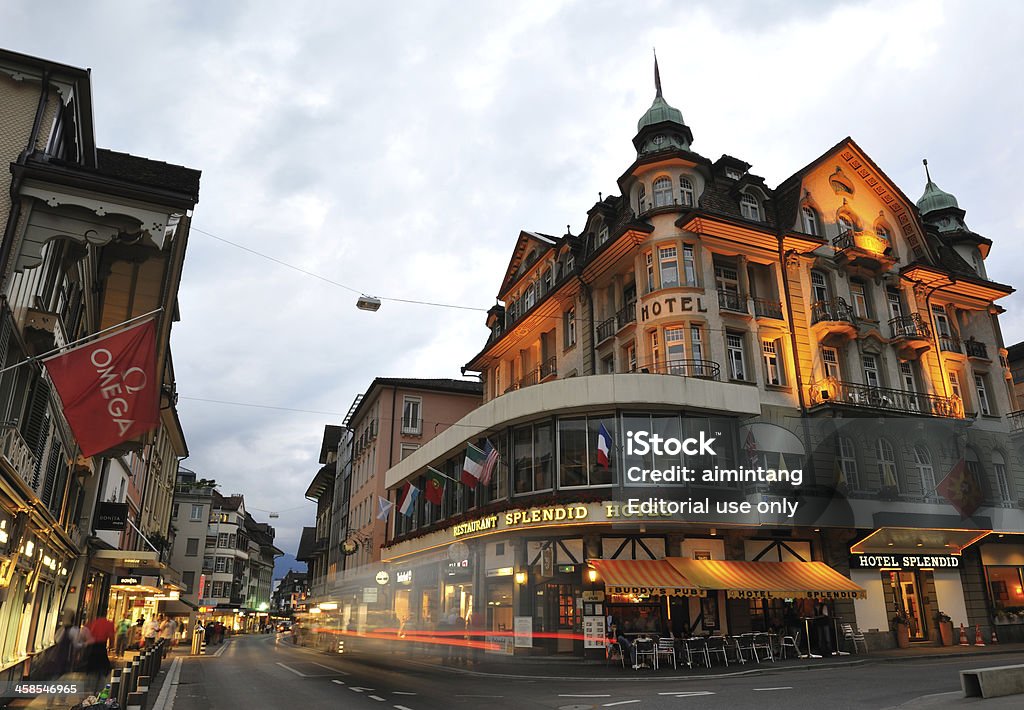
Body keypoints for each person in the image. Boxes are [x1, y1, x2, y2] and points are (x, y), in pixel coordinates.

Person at [84, 614, 114, 692]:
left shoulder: (93, 622)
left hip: (93, 647)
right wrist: (111, 646)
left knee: (92, 668)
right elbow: (111, 637)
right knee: (103, 667)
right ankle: (99, 689)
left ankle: (90, 687)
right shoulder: (109, 624)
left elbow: (86, 633)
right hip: (102, 647)